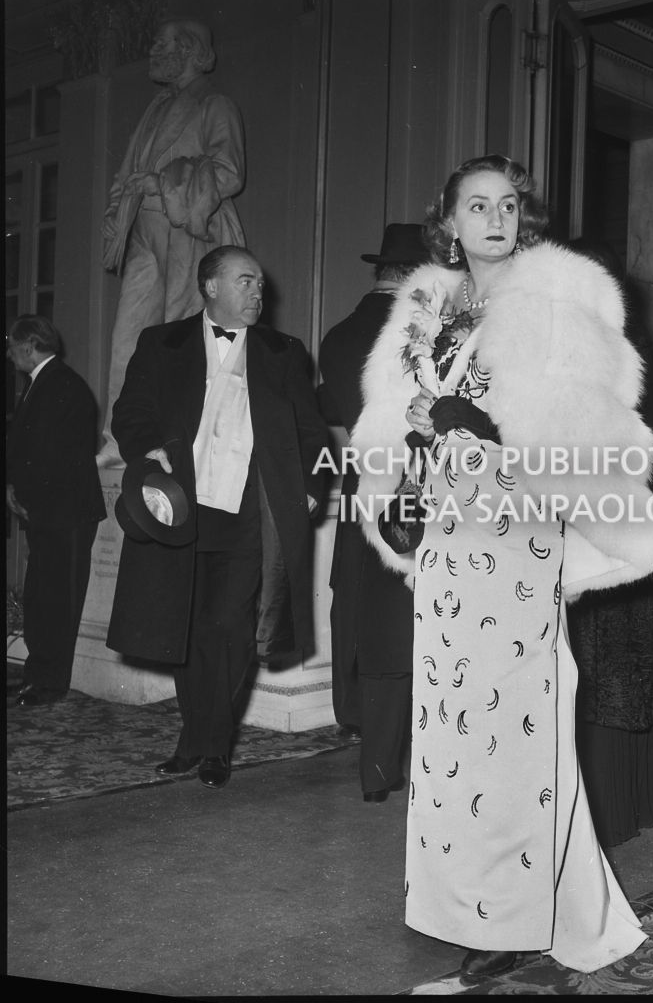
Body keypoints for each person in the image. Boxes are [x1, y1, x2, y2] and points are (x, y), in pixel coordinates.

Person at [351, 155, 653, 984]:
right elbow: (395, 418)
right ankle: (481, 903)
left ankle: (511, 916)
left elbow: (580, 430)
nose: (495, 217)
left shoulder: (558, 298)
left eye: (508, 204)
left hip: (518, 534)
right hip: (449, 544)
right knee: (455, 730)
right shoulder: (428, 307)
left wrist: (480, 424)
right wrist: (410, 463)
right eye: (476, 205)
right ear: (447, 222)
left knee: (513, 731)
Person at [106, 246, 329, 789]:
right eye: (246, 281)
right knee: (185, 629)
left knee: (231, 630)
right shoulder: (161, 343)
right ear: (211, 287)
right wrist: (148, 450)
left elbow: (313, 434)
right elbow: (128, 413)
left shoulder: (285, 352)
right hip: (179, 509)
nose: (259, 292)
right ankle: (194, 737)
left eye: (259, 283)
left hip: (253, 512)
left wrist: (312, 489)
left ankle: (214, 746)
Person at [565, 238, 653, 849]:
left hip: (602, 521)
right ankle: (640, 802)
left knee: (601, 668)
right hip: (635, 519)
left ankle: (608, 812)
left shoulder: (591, 351)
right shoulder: (634, 346)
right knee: (625, 668)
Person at [97, 17, 246, 467]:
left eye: (161, 44)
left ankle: (177, 437)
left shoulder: (213, 104)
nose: (152, 51)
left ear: (188, 51)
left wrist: (161, 184)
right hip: (143, 230)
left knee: (180, 335)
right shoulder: (155, 109)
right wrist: (116, 213)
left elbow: (228, 172)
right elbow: (127, 172)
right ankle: (121, 438)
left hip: (186, 228)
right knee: (129, 336)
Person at [318, 223, 431, 801]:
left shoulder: (337, 336)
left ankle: (369, 748)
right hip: (413, 492)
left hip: (359, 487)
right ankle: (417, 761)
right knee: (414, 624)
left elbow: (335, 428)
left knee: (357, 609)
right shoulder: (418, 334)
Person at [6, 316, 106, 707]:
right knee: (41, 598)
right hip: (47, 512)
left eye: (12, 345)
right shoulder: (41, 384)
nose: (9, 353)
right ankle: (37, 676)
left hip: (67, 515)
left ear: (29, 347)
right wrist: (15, 487)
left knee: (58, 601)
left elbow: (54, 458)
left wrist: (23, 491)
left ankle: (51, 683)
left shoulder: (64, 386)